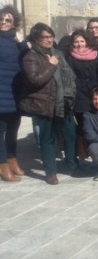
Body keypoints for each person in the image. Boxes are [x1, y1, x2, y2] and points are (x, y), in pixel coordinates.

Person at [19, 23, 80, 185]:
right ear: (36, 39)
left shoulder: (58, 53)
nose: (49, 40)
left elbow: (69, 76)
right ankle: (50, 172)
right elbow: (34, 80)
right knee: (47, 139)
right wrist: (50, 65)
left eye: (51, 36)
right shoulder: (30, 57)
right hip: (44, 104)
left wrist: (71, 94)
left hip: (64, 102)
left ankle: (72, 164)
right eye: (45, 37)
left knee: (70, 134)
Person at [66, 30, 98, 144]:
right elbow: (69, 77)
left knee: (95, 122)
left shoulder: (94, 55)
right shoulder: (70, 57)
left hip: (94, 94)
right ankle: (82, 149)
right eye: (76, 41)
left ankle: (95, 146)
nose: (79, 44)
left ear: (87, 42)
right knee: (82, 123)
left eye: (82, 41)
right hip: (79, 95)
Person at [0, 5, 23, 181]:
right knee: (0, 131)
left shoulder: (16, 42)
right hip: (1, 92)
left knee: (13, 129)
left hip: (15, 93)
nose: (3, 22)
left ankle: (12, 158)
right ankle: (2, 165)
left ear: (14, 23)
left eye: (8, 20)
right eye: (1, 19)